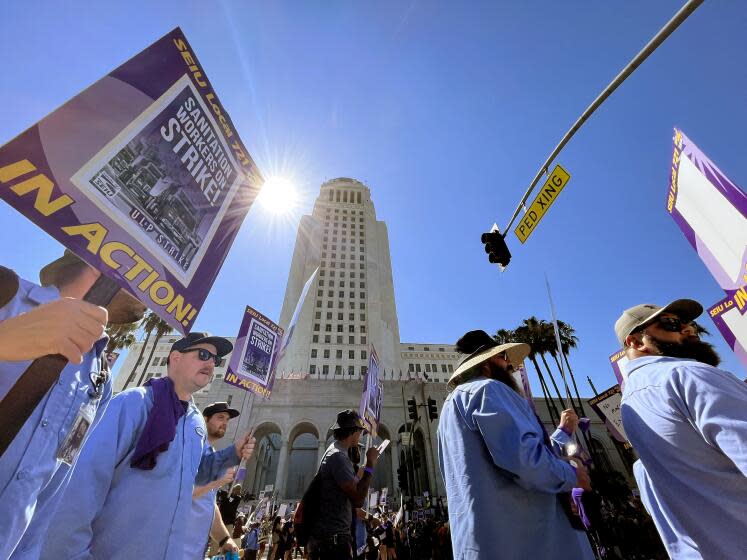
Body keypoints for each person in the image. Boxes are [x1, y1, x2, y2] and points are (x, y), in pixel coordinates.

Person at [39, 332, 257, 559]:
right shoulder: (132, 404)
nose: (211, 363)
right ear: (175, 358)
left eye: (216, 360)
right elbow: (78, 487)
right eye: (203, 354)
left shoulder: (195, 423)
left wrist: (234, 452)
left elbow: (196, 473)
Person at [0, 251, 146, 558]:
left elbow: (51, 486)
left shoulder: (100, 378)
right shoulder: (6, 294)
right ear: (103, 261)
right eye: (146, 271)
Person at [437, 330, 594, 559]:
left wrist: (561, 434)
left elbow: (506, 455)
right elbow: (525, 460)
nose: (510, 366)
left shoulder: (450, 408)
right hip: (529, 541)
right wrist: (571, 474)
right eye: (504, 358)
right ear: (488, 364)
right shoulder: (488, 389)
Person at [615, 300, 747, 558]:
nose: (688, 329)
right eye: (672, 324)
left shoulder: (631, 402)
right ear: (636, 342)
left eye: (688, 323)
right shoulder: (688, 375)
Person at [308, 409, 380, 560]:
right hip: (331, 543)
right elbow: (358, 500)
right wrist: (370, 465)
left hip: (331, 540)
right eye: (360, 431)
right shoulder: (338, 457)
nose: (360, 434)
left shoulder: (337, 453)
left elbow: (350, 489)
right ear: (354, 432)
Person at [183, 401, 242, 559]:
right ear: (205, 419)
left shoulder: (212, 454)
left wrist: (224, 539)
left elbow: (208, 504)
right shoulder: (188, 447)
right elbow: (178, 494)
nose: (224, 423)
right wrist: (216, 482)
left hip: (194, 551)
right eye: (220, 417)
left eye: (227, 420)